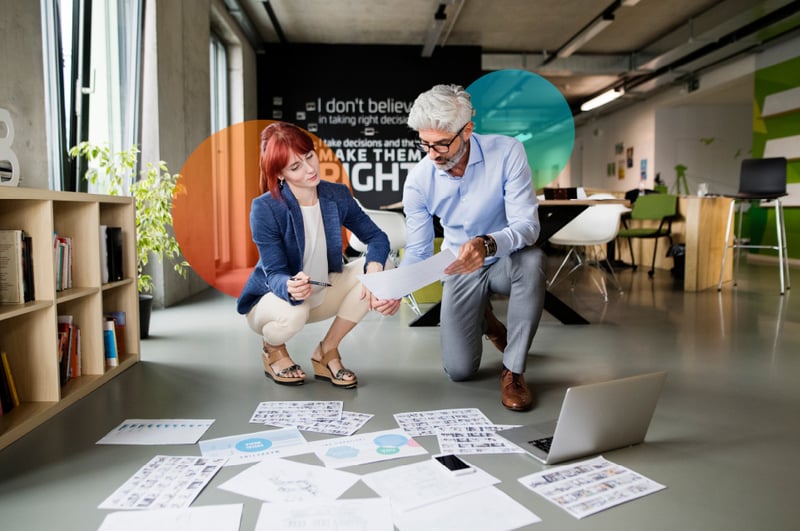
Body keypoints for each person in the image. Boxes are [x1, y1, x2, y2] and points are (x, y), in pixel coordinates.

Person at [401, 84, 546, 411]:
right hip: (460, 268)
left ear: (467, 130)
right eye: (424, 144)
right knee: (460, 371)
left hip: (506, 260)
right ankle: (487, 320)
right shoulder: (419, 180)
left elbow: (528, 226)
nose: (432, 154)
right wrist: (394, 287)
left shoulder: (507, 152)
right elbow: (419, 249)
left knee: (533, 261)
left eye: (441, 143)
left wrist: (488, 243)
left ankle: (513, 371)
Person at [237, 122, 401, 388]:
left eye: (309, 156)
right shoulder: (265, 208)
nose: (310, 168)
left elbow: (377, 237)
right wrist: (289, 286)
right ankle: (272, 348)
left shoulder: (336, 195)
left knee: (386, 266)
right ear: (279, 174)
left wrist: (374, 268)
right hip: (273, 302)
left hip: (322, 291)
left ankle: (327, 351)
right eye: (295, 167)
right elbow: (274, 273)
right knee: (296, 312)